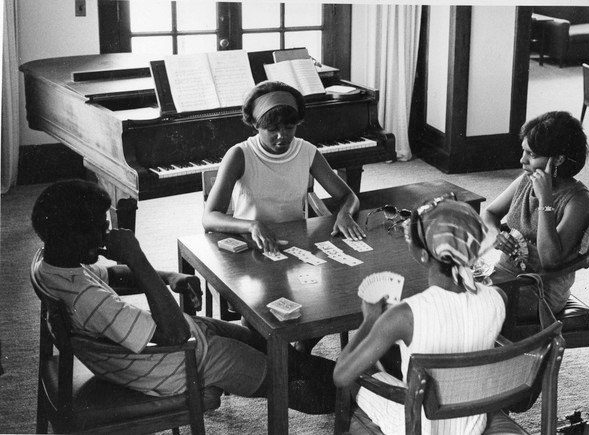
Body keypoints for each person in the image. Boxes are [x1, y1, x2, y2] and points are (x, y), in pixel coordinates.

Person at [31, 179, 335, 413]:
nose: (108, 236)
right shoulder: (89, 302)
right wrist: (137, 259)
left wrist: (171, 277)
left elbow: (111, 277)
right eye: (102, 230)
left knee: (264, 343)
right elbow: (175, 333)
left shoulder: (50, 264)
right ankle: (352, 394)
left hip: (172, 344)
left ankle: (331, 371)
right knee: (285, 379)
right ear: (78, 238)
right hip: (176, 365)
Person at [333, 197, 507, 434]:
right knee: (394, 354)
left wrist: (370, 321)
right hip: (471, 424)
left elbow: (341, 376)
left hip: (417, 425)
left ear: (424, 255)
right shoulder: (498, 298)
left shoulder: (404, 315)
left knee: (359, 372)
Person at [202, 80, 366, 253]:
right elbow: (209, 217)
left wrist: (345, 214)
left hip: (294, 240)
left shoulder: (306, 151)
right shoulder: (239, 155)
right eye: (272, 129)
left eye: (289, 127)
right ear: (257, 125)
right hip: (250, 241)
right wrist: (252, 225)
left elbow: (348, 195)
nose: (282, 136)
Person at [481, 111, 589, 318]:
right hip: (504, 276)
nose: (522, 160)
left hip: (541, 290)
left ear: (558, 159)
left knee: (474, 307)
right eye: (524, 151)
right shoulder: (526, 178)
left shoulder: (579, 200)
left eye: (531, 155)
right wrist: (496, 235)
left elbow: (550, 260)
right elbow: (490, 213)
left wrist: (545, 201)